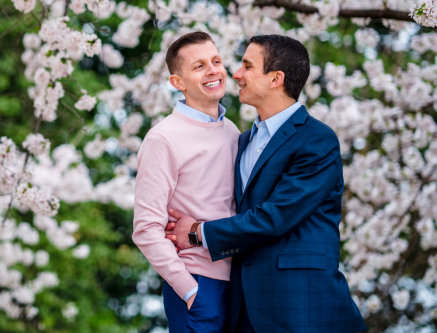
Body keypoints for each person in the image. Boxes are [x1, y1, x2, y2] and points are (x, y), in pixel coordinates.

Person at [164, 34, 367, 333]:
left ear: (275, 79)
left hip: (301, 307)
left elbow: (276, 217)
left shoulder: (316, 139)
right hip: (242, 308)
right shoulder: (241, 140)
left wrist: (197, 232)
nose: (236, 74)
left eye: (247, 66)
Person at [132, 31, 240, 332]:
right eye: (199, 66)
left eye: (216, 61)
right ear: (178, 83)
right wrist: (190, 291)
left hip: (240, 283)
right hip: (197, 284)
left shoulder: (232, 130)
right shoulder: (163, 139)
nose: (213, 71)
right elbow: (146, 229)